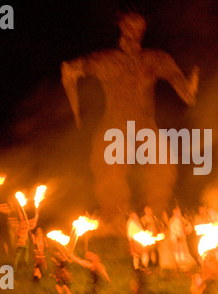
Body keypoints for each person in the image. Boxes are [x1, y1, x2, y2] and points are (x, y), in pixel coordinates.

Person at [61, 12, 199, 226]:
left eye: (139, 29)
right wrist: (74, 102)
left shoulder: (154, 59)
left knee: (162, 165)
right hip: (115, 125)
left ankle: (156, 216)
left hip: (145, 124)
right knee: (109, 169)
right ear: (122, 31)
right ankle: (114, 217)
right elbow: (71, 70)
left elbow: (180, 84)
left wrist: (188, 90)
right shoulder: (107, 61)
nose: (134, 34)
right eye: (130, 28)